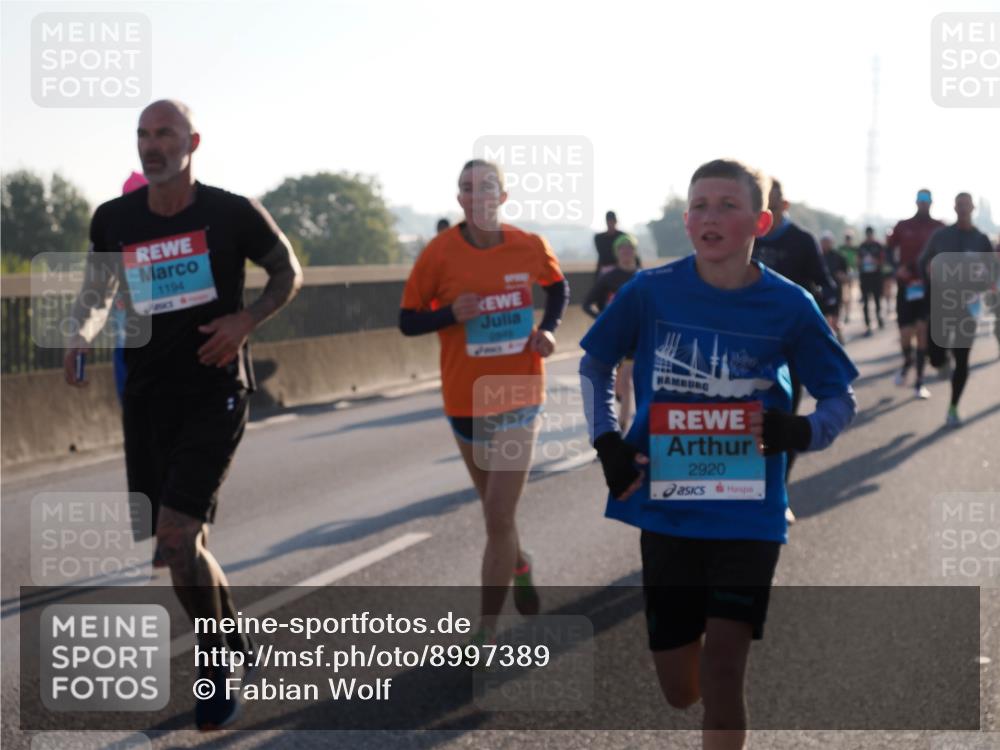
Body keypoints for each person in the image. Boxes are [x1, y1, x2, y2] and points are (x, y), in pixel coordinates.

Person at [580, 159, 857, 750]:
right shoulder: (650, 291)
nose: (710, 217)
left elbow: (839, 398)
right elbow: (595, 363)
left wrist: (801, 434)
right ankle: (698, 679)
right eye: (700, 206)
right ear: (685, 220)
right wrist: (606, 441)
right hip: (667, 508)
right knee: (682, 688)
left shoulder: (790, 305)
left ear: (760, 220)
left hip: (749, 510)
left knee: (726, 670)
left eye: (727, 206)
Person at [63, 99, 303, 731]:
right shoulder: (113, 218)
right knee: (186, 544)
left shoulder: (231, 212)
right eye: (142, 134)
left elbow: (288, 270)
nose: (151, 145)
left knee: (175, 536)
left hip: (215, 392)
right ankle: (232, 641)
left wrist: (247, 319)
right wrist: (81, 332)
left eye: (164, 133)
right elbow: (97, 290)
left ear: (192, 141)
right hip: (147, 400)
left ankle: (214, 665)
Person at [399, 159, 569, 645]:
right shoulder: (438, 255)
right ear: (460, 200)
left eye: (487, 187)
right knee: (498, 517)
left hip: (519, 392)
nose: (478, 196)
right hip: (465, 400)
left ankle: (487, 633)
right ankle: (519, 562)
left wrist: (549, 332)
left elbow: (558, 289)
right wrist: (450, 313)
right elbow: (407, 320)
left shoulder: (529, 246)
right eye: (468, 189)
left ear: (503, 196)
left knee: (497, 516)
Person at [751, 178, 838, 521]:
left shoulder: (801, 240)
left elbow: (824, 281)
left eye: (773, 201)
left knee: (783, 420)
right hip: (744, 343)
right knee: (736, 419)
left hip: (791, 345)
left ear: (784, 205)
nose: (767, 207)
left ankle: (778, 493)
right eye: (761, 201)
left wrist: (825, 305)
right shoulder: (746, 236)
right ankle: (733, 491)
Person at [919, 193, 999, 427]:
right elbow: (923, 261)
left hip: (969, 307)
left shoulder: (981, 239)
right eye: (959, 204)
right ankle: (941, 362)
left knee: (962, 360)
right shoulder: (941, 235)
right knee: (935, 357)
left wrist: (983, 284)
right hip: (941, 304)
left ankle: (953, 407)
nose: (963, 208)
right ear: (954, 207)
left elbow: (992, 273)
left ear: (973, 207)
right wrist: (928, 272)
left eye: (967, 204)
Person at [886, 189, 945, 398]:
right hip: (907, 286)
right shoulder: (903, 226)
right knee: (905, 335)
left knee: (922, 331)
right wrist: (896, 268)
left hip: (928, 287)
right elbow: (888, 250)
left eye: (927, 200)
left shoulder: (939, 227)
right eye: (920, 200)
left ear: (932, 202)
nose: (923, 203)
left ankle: (919, 381)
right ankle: (907, 360)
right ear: (915, 202)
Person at [583, 233, 640, 429]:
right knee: (620, 384)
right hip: (615, 337)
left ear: (635, 251)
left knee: (627, 381)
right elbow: (586, 304)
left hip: (637, 338)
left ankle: (622, 427)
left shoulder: (644, 278)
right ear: (617, 253)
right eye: (622, 249)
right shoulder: (609, 278)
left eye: (630, 248)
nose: (626, 252)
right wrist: (604, 320)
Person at [857, 225, 886, 335]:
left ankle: (879, 318)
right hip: (865, 278)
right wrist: (863, 261)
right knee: (865, 302)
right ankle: (867, 324)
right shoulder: (862, 246)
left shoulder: (878, 245)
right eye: (867, 234)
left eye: (870, 234)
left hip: (876, 277)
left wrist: (874, 261)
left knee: (877, 300)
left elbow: (883, 261)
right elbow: (858, 261)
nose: (869, 236)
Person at [820, 230, 847, 343]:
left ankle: (839, 336)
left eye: (828, 241)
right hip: (821, 291)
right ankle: (830, 341)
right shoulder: (817, 256)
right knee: (824, 319)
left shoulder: (838, 257)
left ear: (832, 242)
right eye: (823, 241)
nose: (825, 243)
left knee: (835, 320)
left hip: (836, 291)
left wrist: (842, 276)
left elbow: (845, 274)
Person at [836, 229, 858, 324]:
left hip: (851, 273)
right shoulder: (841, 249)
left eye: (849, 238)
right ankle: (842, 313)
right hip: (842, 273)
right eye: (847, 238)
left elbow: (857, 261)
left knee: (849, 294)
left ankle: (847, 313)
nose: (848, 240)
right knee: (842, 295)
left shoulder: (855, 249)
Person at [594, 210, 625, 276]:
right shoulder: (599, 238)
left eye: (612, 220)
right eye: (609, 221)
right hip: (605, 270)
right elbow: (604, 255)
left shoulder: (623, 237)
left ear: (616, 221)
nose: (610, 223)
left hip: (621, 270)